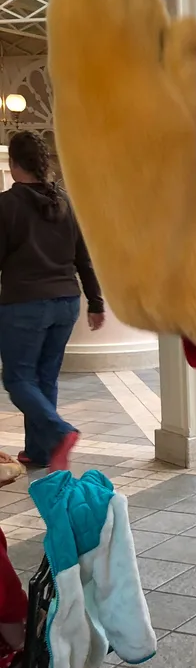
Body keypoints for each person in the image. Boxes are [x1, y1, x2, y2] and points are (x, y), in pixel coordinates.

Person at [0, 131, 104, 471]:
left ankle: (59, 433)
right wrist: (95, 301)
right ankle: (40, 452)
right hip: (66, 303)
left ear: (14, 165)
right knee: (44, 379)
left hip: (26, 304)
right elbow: (82, 256)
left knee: (17, 379)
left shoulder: (6, 205)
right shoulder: (62, 202)